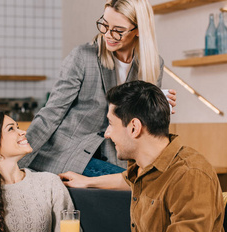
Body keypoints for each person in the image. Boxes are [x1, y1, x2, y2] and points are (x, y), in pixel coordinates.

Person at [29, 81, 227, 232]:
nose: (107, 134)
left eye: (110, 124)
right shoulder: (145, 169)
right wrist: (87, 182)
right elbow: (127, 179)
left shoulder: (191, 175)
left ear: (134, 128)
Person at [19, 0, 176, 177]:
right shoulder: (83, 57)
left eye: (118, 30)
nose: (108, 35)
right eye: (104, 25)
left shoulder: (153, 66)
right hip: (69, 154)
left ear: (139, 30)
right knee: (139, 183)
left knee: (160, 179)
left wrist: (156, 109)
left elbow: (140, 127)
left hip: (117, 158)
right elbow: (51, 113)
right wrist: (15, 161)